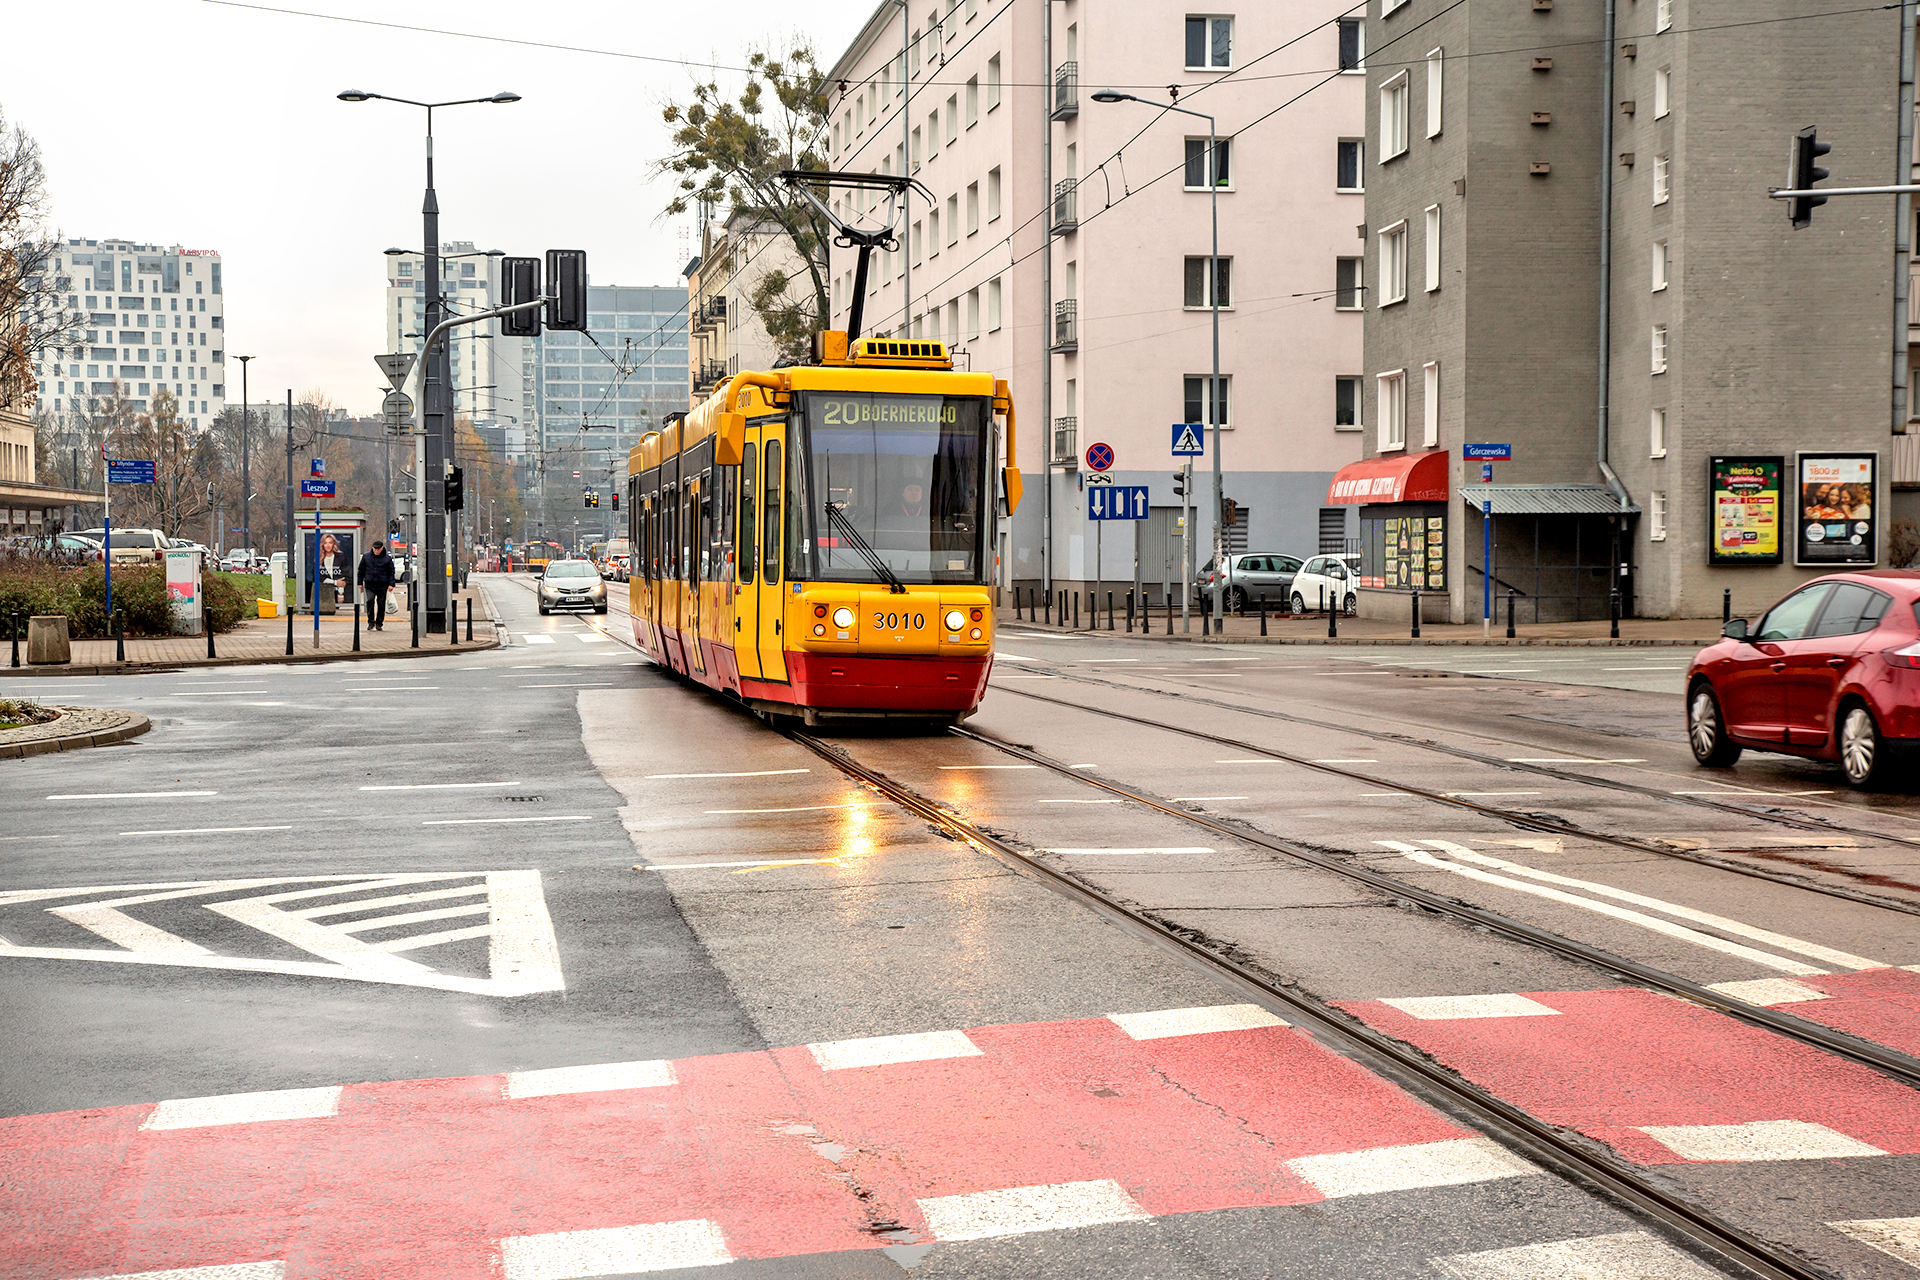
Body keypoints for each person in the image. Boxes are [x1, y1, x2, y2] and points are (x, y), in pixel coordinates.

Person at [358, 540, 397, 630]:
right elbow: (361, 570)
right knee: (370, 601)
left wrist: (391, 584)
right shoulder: (366, 557)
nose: (376, 550)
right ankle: (371, 622)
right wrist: (359, 582)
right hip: (369, 584)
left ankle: (379, 623)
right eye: (375, 548)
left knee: (381, 604)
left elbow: (391, 572)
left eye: (378, 549)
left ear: (382, 548)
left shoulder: (387, 558)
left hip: (382, 584)